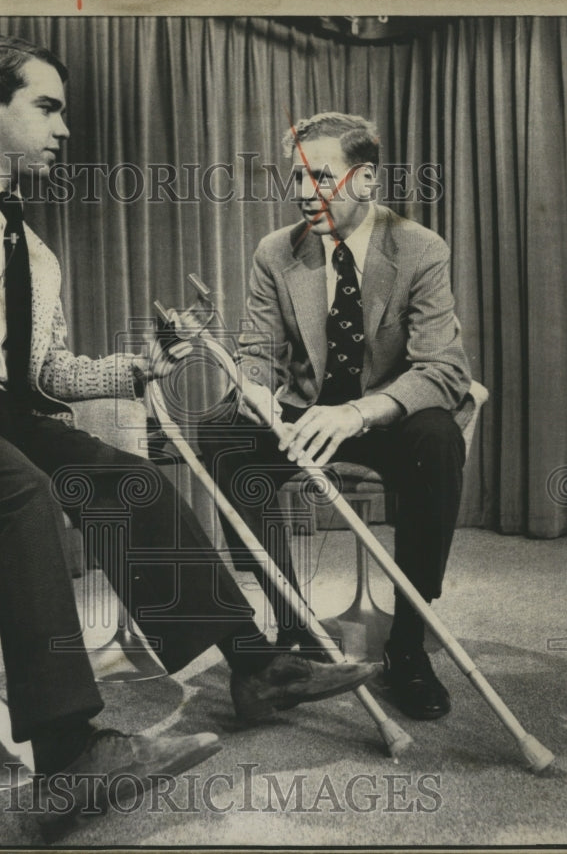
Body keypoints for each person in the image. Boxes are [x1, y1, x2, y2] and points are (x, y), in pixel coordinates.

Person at [0, 36, 374, 823]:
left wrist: (141, 364)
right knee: (18, 487)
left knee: (132, 479)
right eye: (47, 108)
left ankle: (256, 670)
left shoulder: (40, 254)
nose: (63, 129)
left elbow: (49, 374)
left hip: (5, 416)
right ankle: (66, 757)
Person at [198, 112, 471, 721]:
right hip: (302, 414)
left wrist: (359, 413)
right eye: (297, 177)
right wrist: (257, 393)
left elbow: (442, 369)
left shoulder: (420, 247)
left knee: (439, 436)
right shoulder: (276, 251)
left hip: (385, 414)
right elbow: (258, 356)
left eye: (321, 177)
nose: (304, 193)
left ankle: (408, 645)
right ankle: (292, 632)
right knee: (220, 429)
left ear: (366, 179)